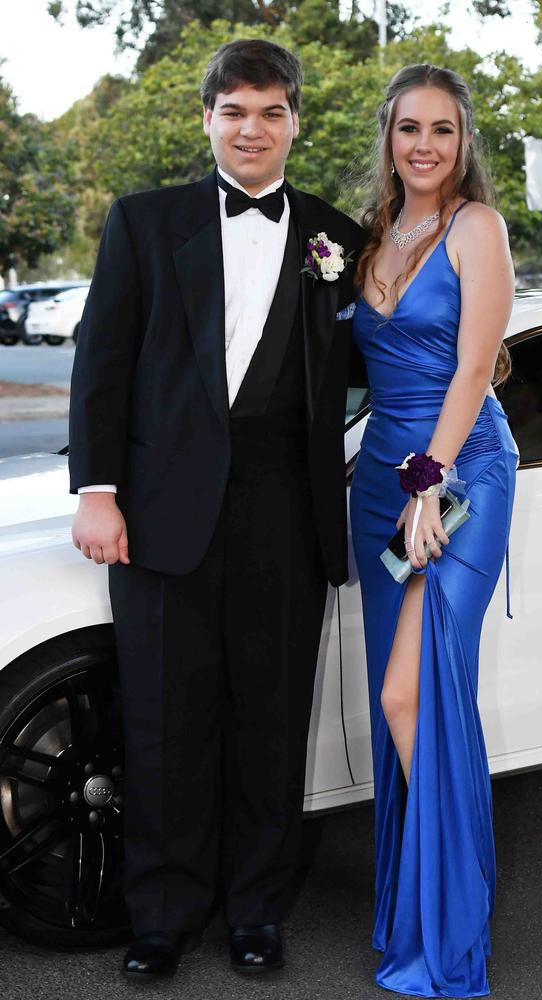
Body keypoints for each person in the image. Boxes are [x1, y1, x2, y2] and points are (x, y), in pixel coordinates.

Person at [68, 38, 365, 981]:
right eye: (235, 110)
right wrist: (99, 490)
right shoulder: (144, 223)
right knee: (164, 720)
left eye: (272, 111)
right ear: (208, 119)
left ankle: (255, 912)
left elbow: (371, 362)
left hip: (287, 506)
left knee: (271, 724)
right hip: (159, 513)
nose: (253, 128)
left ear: (294, 123)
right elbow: (101, 363)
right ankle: (160, 916)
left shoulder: (332, 236)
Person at [350, 64, 519, 998]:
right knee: (396, 694)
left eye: (442, 130)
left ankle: (456, 914)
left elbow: (471, 372)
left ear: (464, 142)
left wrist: (430, 482)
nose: (424, 145)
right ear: (388, 137)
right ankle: (425, 905)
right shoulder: (372, 235)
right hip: (380, 479)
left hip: (457, 477)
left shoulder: (477, 227)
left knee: (412, 698)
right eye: (409, 128)